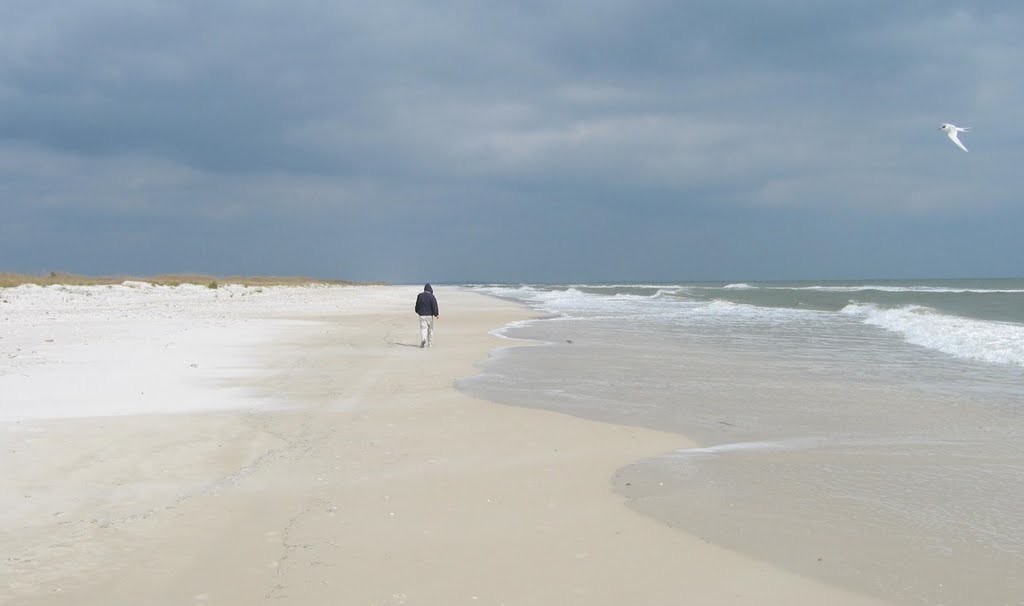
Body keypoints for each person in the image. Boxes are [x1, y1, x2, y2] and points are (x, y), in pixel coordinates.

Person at [414, 283, 439, 348]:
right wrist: (436, 314)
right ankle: (430, 343)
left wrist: (417, 311)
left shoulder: (420, 296)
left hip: (422, 315)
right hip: (429, 316)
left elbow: (417, 305)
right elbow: (434, 306)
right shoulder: (431, 296)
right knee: (430, 329)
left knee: (423, 328)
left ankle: (423, 339)